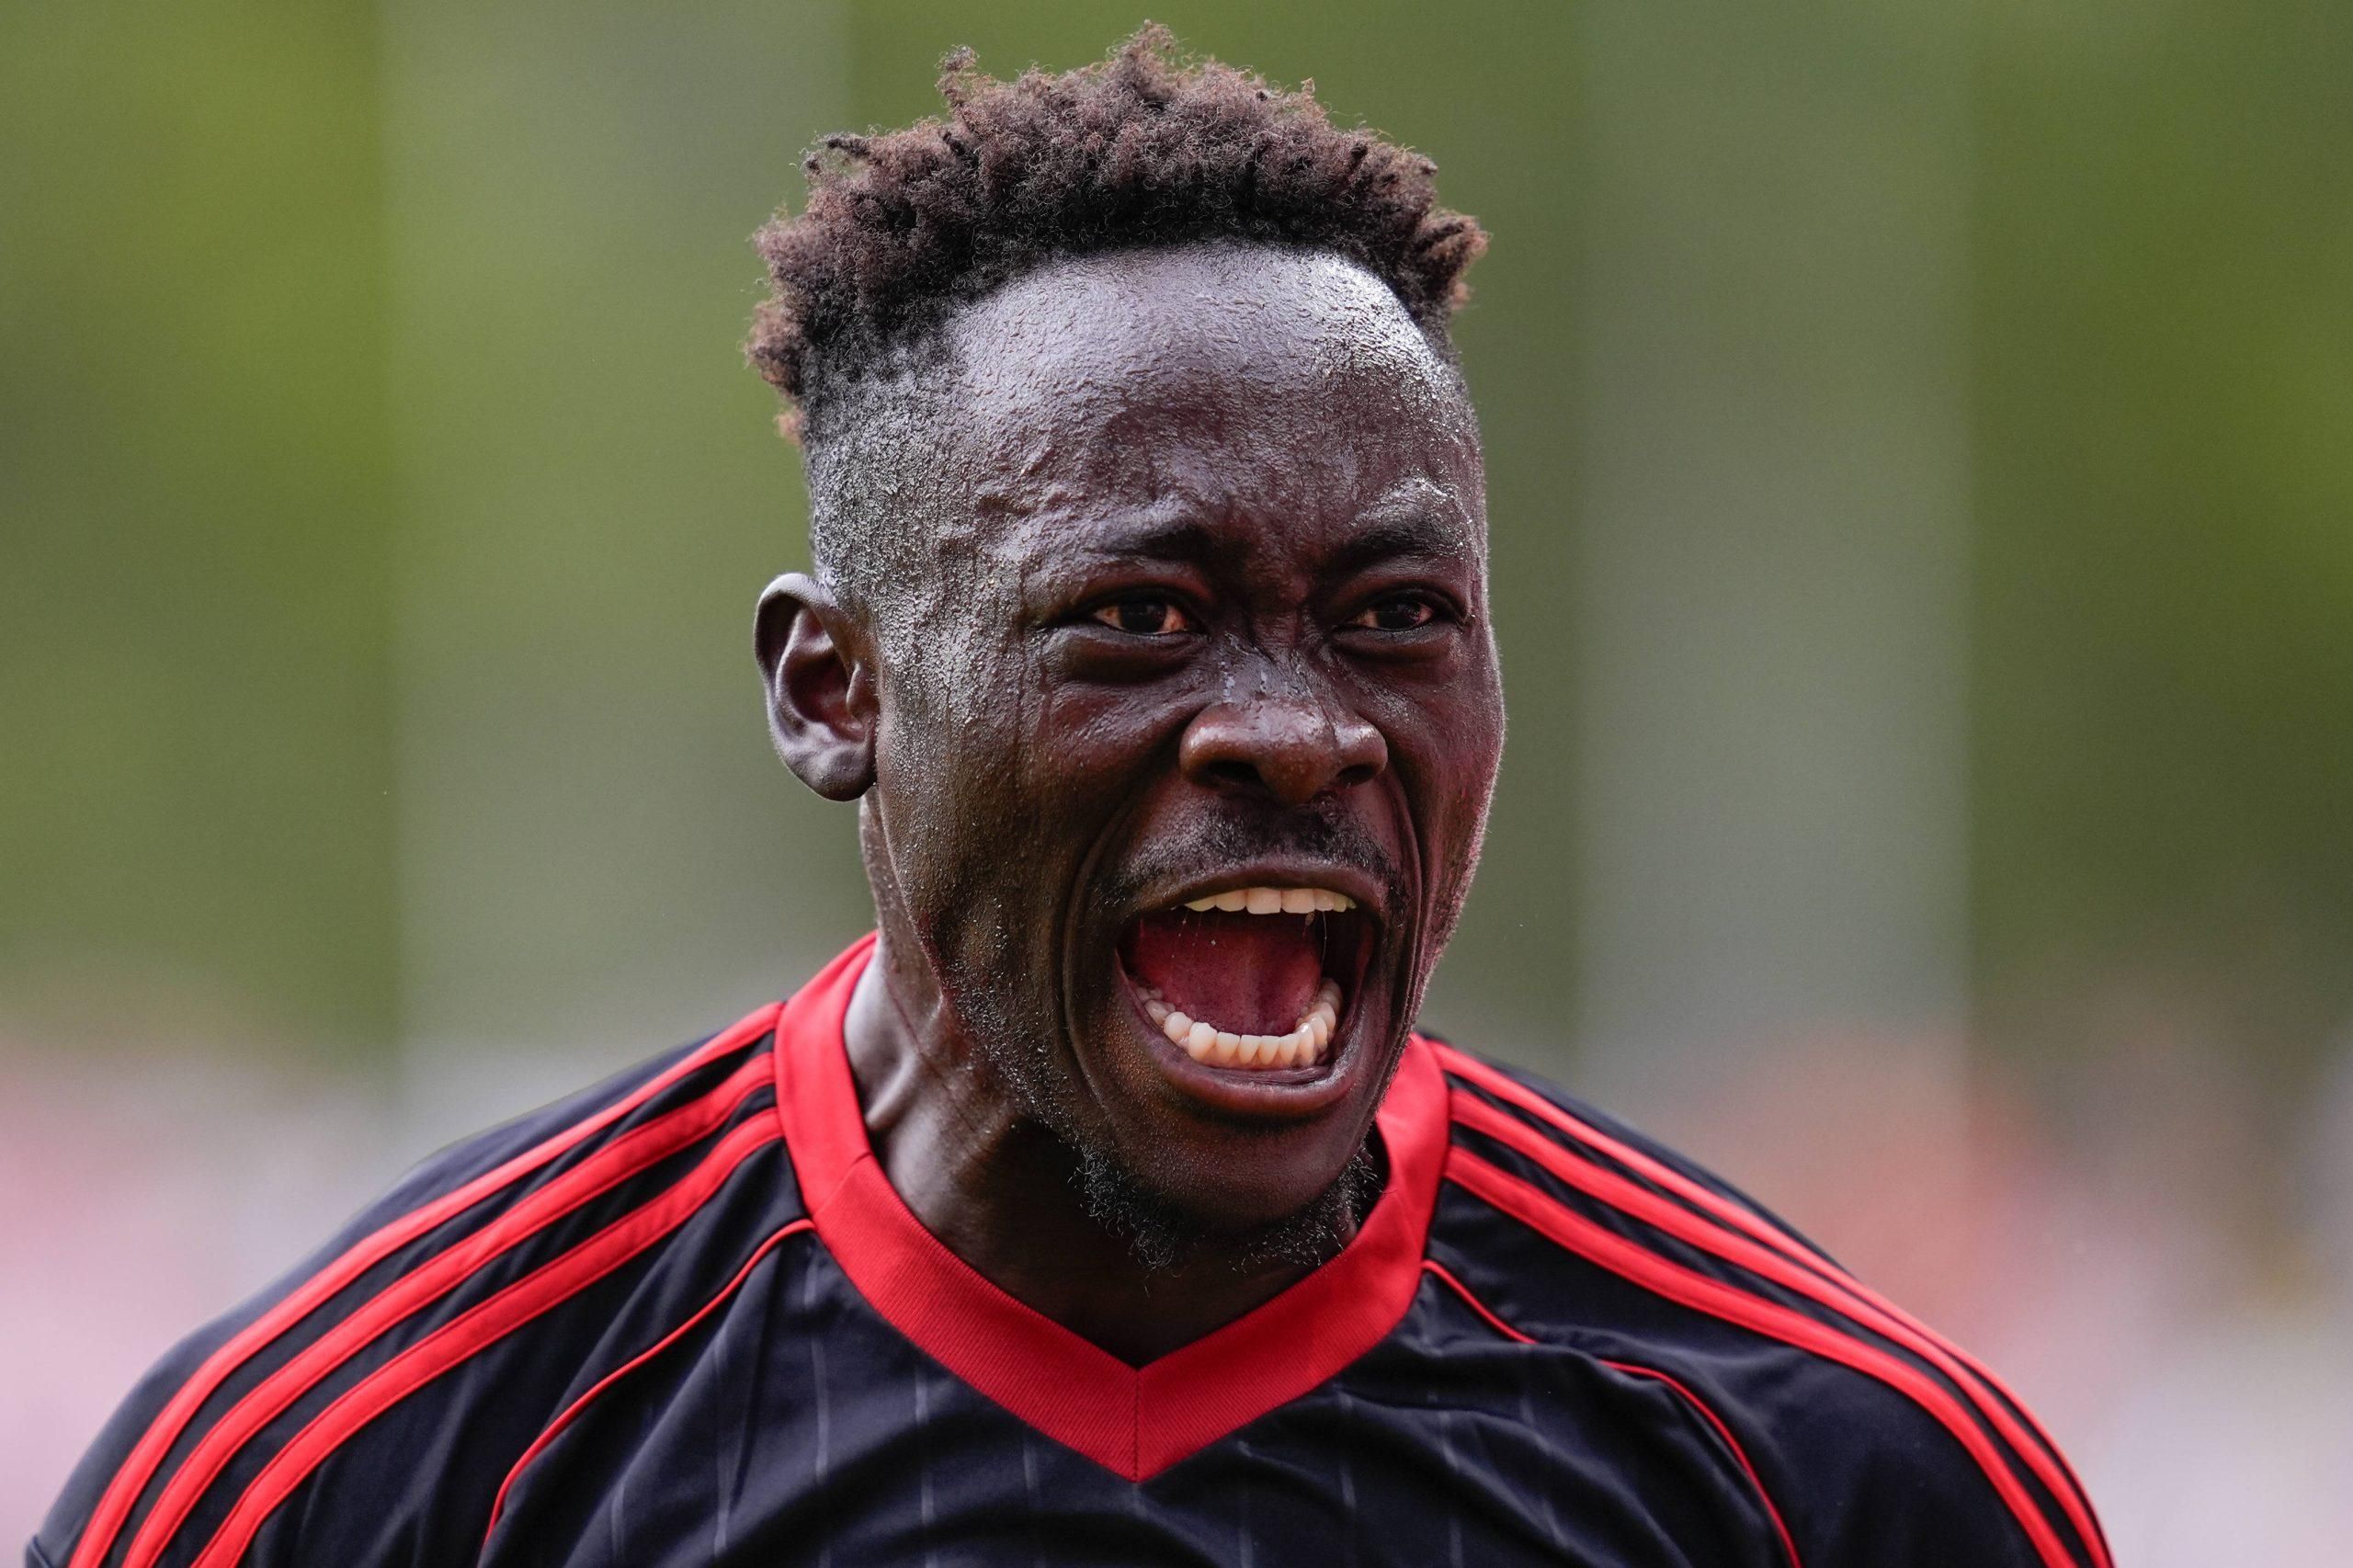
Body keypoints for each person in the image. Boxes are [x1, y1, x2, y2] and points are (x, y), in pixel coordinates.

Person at [34, 28, 2107, 1568]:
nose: (1296, 734)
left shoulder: (1831, 1471)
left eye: (1390, 614)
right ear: (831, 691)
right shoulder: (367, 1464)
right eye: (1135, 614)